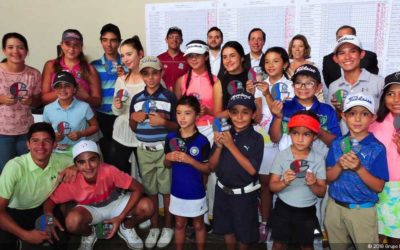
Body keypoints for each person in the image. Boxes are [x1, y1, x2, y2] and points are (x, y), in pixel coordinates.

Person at [43, 140, 154, 250]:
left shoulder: (109, 170)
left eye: (92, 160)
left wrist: (121, 217)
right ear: (75, 165)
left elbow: (138, 188)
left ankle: (126, 227)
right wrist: (48, 216)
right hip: (91, 210)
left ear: (99, 159)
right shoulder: (72, 180)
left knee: (148, 206)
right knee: (72, 222)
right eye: (82, 162)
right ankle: (90, 234)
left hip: (116, 203)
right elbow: (50, 201)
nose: (88, 166)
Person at [325, 92, 389, 250]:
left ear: (372, 118)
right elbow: (328, 177)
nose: (358, 119)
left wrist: (359, 168)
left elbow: (378, 186)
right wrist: (339, 166)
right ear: (344, 116)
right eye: (352, 113)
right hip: (335, 207)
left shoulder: (377, 148)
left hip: (362, 211)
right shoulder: (337, 143)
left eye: (364, 114)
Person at [246, 46, 294, 242]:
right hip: (263, 142)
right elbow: (256, 118)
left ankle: (284, 227)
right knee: (266, 185)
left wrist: (267, 95)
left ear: (285, 63)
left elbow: (285, 112)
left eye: (276, 60)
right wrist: (251, 96)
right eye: (267, 61)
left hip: (285, 142)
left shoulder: (292, 86)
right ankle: (265, 223)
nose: (271, 65)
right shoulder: (260, 84)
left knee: (286, 183)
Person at [129, 56, 178, 249]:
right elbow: (133, 127)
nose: (150, 78)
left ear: (161, 73)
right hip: (144, 151)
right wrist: (134, 118)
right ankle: (154, 227)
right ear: (141, 75)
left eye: (154, 73)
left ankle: (168, 226)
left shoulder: (169, 97)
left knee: (166, 191)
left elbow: (177, 126)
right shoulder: (137, 99)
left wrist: (164, 122)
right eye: (146, 74)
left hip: (163, 150)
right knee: (150, 190)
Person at [0, 122, 73, 249]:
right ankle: (19, 239)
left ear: (54, 144)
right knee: (4, 243)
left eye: (46, 141)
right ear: (28, 144)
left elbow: (92, 160)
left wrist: (75, 167)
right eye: (35, 141)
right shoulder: (14, 167)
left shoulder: (60, 161)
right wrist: (25, 235)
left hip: (43, 210)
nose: (41, 146)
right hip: (13, 212)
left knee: (60, 239)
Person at [209, 92, 264, 250]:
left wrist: (231, 145)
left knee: (244, 235)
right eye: (234, 112)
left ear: (253, 114)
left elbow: (252, 170)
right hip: (222, 191)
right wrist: (219, 146)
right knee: (227, 230)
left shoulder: (256, 139)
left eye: (245, 112)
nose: (239, 117)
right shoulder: (224, 133)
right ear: (229, 114)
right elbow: (211, 166)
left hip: (244, 196)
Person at [269, 110, 327, 250]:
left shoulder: (318, 159)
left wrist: (313, 184)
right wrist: (284, 182)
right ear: (289, 133)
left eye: (306, 134)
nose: (300, 139)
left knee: (307, 244)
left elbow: (321, 192)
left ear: (314, 136)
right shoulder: (282, 156)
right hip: (283, 208)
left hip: (307, 212)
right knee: (279, 243)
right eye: (296, 133)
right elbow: (272, 186)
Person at [164, 95, 211, 250]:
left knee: (198, 225)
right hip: (177, 191)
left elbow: (207, 169)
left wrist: (190, 160)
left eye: (187, 113)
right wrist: (168, 158)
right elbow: (167, 164)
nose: (182, 117)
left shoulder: (202, 141)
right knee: (179, 224)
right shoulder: (170, 137)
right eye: (178, 113)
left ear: (197, 116)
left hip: (196, 192)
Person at [269, 64, 341, 156]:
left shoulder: (327, 110)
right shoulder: (284, 107)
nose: (303, 87)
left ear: (319, 87)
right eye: (298, 83)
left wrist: (317, 130)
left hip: (318, 165)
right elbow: (274, 139)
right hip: (288, 164)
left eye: (309, 83)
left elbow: (336, 143)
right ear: (293, 86)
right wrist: (278, 117)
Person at [0, 32, 41, 172]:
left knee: (25, 171)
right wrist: (2, 99)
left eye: (20, 47)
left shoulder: (34, 74)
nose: (15, 51)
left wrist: (31, 101)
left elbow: (37, 102)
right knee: (6, 172)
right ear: (4, 50)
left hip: (26, 131)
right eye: (10, 47)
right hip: (2, 132)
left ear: (26, 51)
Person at [327, 34, 384, 134]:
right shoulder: (334, 86)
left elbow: (386, 116)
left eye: (352, 51)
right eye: (342, 53)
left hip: (373, 144)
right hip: (345, 144)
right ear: (335, 59)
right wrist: (338, 111)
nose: (347, 57)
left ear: (361, 54)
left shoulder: (378, 82)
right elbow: (332, 120)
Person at [369, 72, 400, 245]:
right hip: (378, 189)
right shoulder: (374, 125)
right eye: (390, 94)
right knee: (376, 239)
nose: (396, 99)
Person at [110, 36, 145, 175]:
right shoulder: (121, 80)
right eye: (122, 56)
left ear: (140, 53)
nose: (125, 59)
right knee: (119, 175)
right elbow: (116, 112)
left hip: (144, 135)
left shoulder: (152, 79)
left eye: (129, 54)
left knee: (145, 177)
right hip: (121, 134)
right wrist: (118, 106)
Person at [43, 71, 99, 156]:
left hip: (79, 151)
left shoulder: (84, 106)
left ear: (74, 89)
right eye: (58, 87)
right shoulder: (48, 109)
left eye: (67, 86)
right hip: (57, 152)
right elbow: (45, 130)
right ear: (54, 90)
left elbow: (95, 126)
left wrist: (81, 134)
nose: (62, 90)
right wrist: (53, 135)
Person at [41, 29, 101, 108]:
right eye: (67, 44)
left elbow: (97, 102)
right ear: (61, 45)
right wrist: (63, 90)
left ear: (81, 47)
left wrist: (86, 97)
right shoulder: (51, 65)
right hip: (57, 116)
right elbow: (43, 99)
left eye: (76, 45)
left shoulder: (89, 69)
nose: (71, 48)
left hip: (81, 117)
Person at [91, 23, 123, 163]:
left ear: (119, 42)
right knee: (107, 155)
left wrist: (125, 76)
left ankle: (125, 184)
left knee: (123, 156)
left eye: (113, 40)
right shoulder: (94, 66)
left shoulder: (128, 63)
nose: (108, 44)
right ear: (101, 41)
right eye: (105, 40)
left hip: (122, 115)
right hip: (102, 116)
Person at [213, 41, 248, 119]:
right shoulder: (219, 83)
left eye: (232, 56)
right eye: (224, 57)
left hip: (251, 128)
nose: (228, 60)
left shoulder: (253, 77)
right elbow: (217, 115)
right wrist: (235, 110)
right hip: (228, 129)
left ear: (242, 58)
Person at [157, 27, 189, 91]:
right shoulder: (159, 59)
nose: (174, 40)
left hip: (182, 96)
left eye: (177, 37)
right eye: (171, 37)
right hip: (164, 96)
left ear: (181, 41)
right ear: (166, 40)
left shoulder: (187, 59)